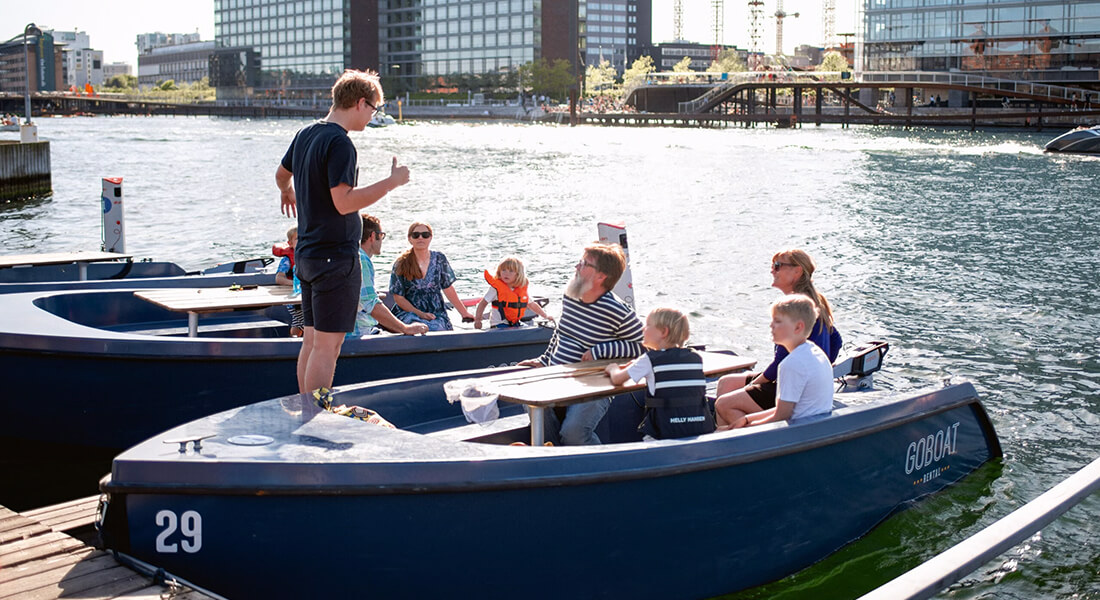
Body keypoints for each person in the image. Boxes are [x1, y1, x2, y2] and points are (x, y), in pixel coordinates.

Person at [275, 69, 410, 395]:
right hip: (334, 259)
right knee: (328, 348)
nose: (373, 116)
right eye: (375, 109)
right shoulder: (340, 143)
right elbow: (343, 201)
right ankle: (315, 416)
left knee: (311, 340)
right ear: (361, 103)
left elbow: (281, 174)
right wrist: (391, 183)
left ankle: (306, 409)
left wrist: (288, 191)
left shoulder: (306, 133)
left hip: (307, 255)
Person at [517, 243, 645, 445]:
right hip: (558, 374)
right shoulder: (571, 293)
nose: (577, 266)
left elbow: (646, 346)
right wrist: (543, 360)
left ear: (601, 276)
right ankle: (554, 456)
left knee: (574, 432)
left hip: (595, 384)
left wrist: (601, 350)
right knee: (529, 397)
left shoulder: (617, 310)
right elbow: (561, 332)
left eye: (584, 264)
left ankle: (603, 470)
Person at [714, 249, 842, 429]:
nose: (772, 270)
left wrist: (751, 385)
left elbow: (780, 364)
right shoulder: (812, 302)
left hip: (791, 380)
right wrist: (819, 369)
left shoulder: (794, 311)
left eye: (777, 266)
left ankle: (741, 442)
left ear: (797, 271)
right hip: (795, 375)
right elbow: (836, 340)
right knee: (726, 383)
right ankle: (732, 432)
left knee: (724, 403)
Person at [718, 295, 834, 429]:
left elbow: (781, 416)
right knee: (726, 426)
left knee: (721, 429)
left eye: (778, 321)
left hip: (797, 432)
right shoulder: (815, 352)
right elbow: (783, 409)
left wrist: (748, 427)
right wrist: (746, 419)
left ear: (798, 327)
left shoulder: (792, 364)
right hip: (813, 425)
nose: (771, 325)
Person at [605, 308, 713, 440]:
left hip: (664, 431)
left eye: (648, 325)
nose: (643, 329)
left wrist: (612, 368)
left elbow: (617, 379)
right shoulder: (695, 357)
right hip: (699, 427)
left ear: (663, 331)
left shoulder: (650, 359)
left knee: (646, 436)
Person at [347, 214, 428, 339]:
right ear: (373, 236)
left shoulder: (347, 256)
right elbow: (371, 304)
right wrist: (405, 328)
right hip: (360, 334)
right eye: (381, 235)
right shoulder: (361, 259)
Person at [388, 222, 474, 331]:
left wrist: (464, 313)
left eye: (425, 235)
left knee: (438, 327)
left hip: (436, 312)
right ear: (410, 239)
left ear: (430, 238)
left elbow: (448, 289)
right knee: (418, 326)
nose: (420, 238)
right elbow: (398, 297)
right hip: (409, 313)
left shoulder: (439, 259)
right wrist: (421, 314)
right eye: (416, 235)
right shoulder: (401, 263)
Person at [474, 256, 553, 329]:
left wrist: (545, 316)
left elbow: (532, 304)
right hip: (498, 325)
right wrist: (478, 320)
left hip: (515, 324)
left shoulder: (520, 289)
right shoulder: (495, 289)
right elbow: (483, 303)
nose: (506, 273)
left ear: (518, 274)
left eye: (511, 271)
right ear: (499, 272)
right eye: (503, 270)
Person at [273, 226, 304, 337]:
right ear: (290, 243)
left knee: (297, 323)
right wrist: (293, 283)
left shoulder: (309, 256)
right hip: (294, 299)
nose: (302, 241)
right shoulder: (287, 260)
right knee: (304, 321)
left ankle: (294, 339)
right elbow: (279, 278)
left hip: (306, 295)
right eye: (297, 239)